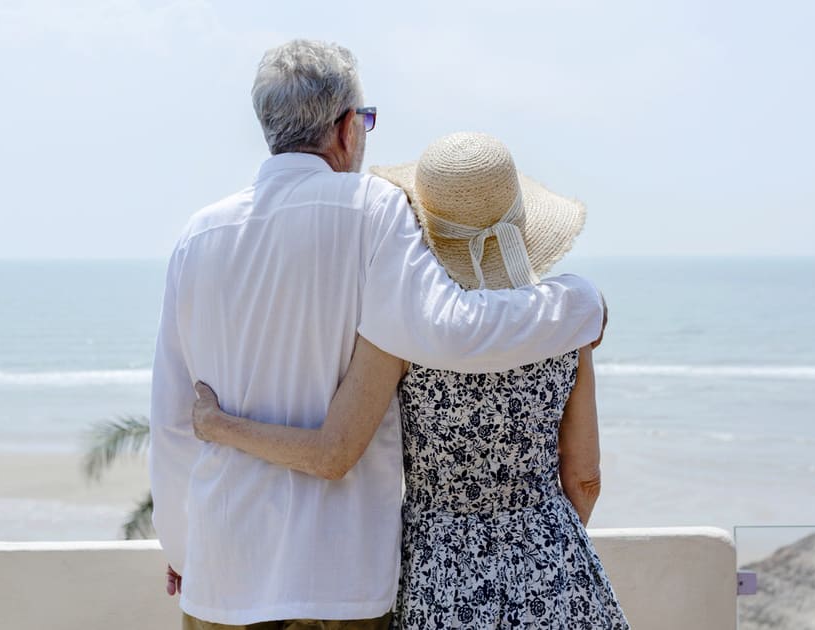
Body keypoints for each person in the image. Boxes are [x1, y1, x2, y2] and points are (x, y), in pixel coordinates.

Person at [148, 40, 607, 630]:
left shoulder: (197, 235)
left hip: (226, 576)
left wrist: (186, 555)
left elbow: (171, 421)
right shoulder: (372, 208)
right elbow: (450, 330)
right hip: (342, 579)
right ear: (345, 129)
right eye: (365, 121)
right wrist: (578, 304)